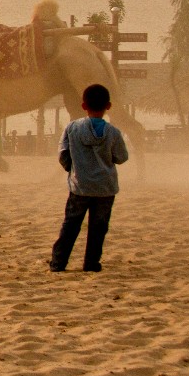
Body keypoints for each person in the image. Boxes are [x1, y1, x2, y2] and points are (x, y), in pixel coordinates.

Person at [49, 84, 128, 273]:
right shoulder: (114, 133)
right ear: (108, 106)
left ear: (83, 105)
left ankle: (58, 263)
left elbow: (62, 154)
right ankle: (91, 264)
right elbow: (122, 157)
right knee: (98, 228)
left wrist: (73, 168)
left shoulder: (72, 128)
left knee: (71, 225)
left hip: (80, 186)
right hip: (105, 188)